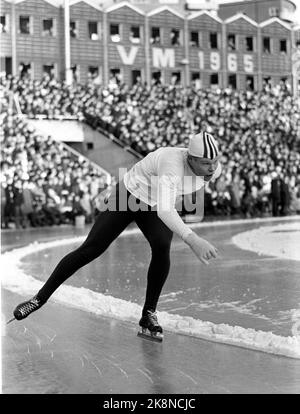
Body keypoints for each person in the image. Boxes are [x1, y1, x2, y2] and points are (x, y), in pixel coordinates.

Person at [11, 131, 221, 340]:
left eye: (214, 162)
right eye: (205, 163)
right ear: (189, 158)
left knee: (161, 246)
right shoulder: (172, 164)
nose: (211, 168)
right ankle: (39, 298)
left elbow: (167, 202)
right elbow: (165, 209)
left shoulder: (214, 169)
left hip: (155, 201)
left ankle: (149, 314)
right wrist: (193, 239)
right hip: (129, 194)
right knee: (92, 248)